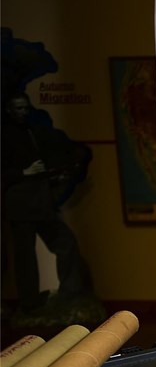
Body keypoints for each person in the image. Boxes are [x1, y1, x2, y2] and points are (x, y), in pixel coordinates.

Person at [1, 92, 92, 313]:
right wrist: (23, 172)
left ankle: (70, 293)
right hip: (20, 204)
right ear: (9, 110)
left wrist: (53, 176)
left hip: (42, 201)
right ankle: (30, 303)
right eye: (18, 108)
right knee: (26, 257)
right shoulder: (5, 135)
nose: (23, 112)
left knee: (65, 242)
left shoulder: (32, 131)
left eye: (25, 108)